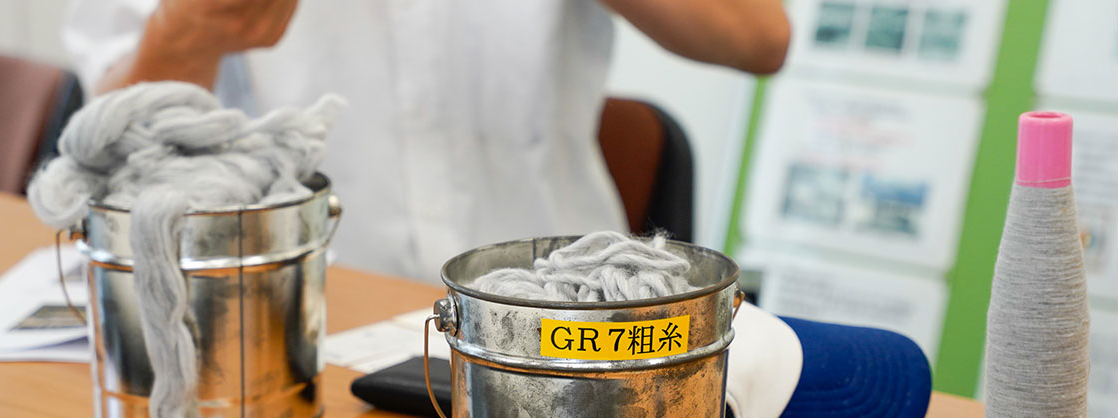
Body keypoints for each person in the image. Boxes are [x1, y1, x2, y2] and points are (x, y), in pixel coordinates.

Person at [63, 0, 790, 282]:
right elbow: (105, 160)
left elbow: (759, 37)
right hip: (290, 316)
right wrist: (187, 30)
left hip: (552, 314)